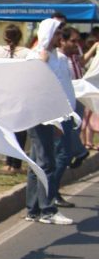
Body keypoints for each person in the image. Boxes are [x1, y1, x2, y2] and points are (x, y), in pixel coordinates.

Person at [25, 18, 74, 226]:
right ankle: (47, 210)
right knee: (47, 163)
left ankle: (34, 209)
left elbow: (62, 88)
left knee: (39, 164)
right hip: (39, 116)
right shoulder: (36, 56)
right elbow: (33, 84)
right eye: (56, 34)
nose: (59, 38)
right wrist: (42, 63)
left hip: (50, 116)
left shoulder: (56, 57)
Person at [0, 24, 31, 173]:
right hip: (20, 95)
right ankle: (17, 164)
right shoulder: (27, 53)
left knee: (7, 130)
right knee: (20, 131)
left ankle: (8, 161)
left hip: (2, 96)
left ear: (4, 37)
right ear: (20, 37)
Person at [52, 25, 89, 207]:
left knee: (63, 154)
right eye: (72, 41)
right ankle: (52, 193)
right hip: (60, 113)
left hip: (71, 110)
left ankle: (52, 192)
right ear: (62, 41)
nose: (77, 44)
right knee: (62, 153)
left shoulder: (70, 57)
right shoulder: (58, 60)